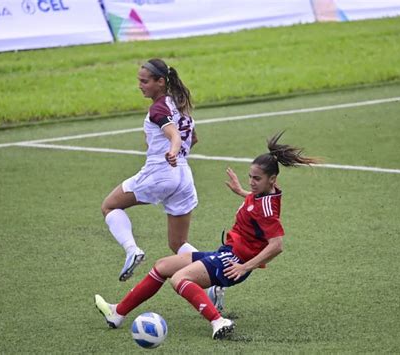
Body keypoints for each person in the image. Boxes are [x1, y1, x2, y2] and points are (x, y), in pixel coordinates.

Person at [95, 132, 319, 339]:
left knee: (180, 279)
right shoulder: (262, 195)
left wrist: (245, 267)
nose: (251, 182)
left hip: (234, 262)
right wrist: (241, 191)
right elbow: (255, 204)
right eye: (250, 177)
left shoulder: (267, 209)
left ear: (272, 180)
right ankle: (118, 312)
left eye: (256, 179)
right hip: (227, 253)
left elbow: (276, 245)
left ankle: (218, 322)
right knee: (163, 266)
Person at [101, 58, 199, 282]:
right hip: (184, 177)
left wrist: (172, 152)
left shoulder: (159, 108)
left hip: (161, 172)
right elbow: (192, 138)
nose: (140, 85)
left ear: (161, 82)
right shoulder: (180, 104)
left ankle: (132, 249)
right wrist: (177, 153)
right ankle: (214, 277)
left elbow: (174, 135)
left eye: (145, 81)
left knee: (109, 206)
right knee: (178, 243)